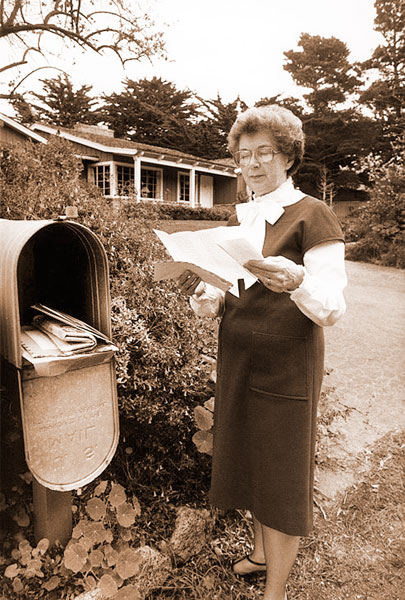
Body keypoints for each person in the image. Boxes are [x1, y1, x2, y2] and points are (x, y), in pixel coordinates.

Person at [178, 104, 347, 600]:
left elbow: (332, 307)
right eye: (244, 155)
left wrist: (297, 282)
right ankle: (257, 555)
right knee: (250, 459)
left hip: (287, 365)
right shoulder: (240, 217)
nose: (252, 165)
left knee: (280, 472)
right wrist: (210, 298)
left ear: (289, 157)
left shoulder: (313, 215)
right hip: (239, 358)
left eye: (265, 154)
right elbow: (236, 286)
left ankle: (274, 591)